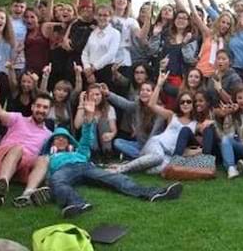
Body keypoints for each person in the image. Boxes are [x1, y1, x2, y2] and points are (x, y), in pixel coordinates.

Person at [44, 92, 182, 218]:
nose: (61, 139)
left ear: (69, 141)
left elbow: (86, 137)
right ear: (52, 143)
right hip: (62, 170)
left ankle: (155, 193)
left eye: (64, 137)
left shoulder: (78, 151)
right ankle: (77, 204)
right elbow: (43, 171)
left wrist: (90, 116)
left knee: (116, 178)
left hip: (84, 166)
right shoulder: (49, 156)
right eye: (57, 138)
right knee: (57, 182)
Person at [0, 85, 53, 206]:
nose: (41, 110)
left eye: (45, 107)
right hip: (3, 159)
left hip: (23, 168)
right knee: (18, 149)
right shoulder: (18, 118)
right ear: (32, 107)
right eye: (38, 106)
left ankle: (27, 194)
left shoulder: (49, 134)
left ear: (49, 111)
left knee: (45, 158)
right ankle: (2, 183)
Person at [81, 5, 120, 89]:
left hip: (105, 71)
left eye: (105, 15)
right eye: (100, 15)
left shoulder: (115, 33)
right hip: (89, 72)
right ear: (95, 16)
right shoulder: (92, 32)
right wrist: (87, 68)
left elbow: (111, 54)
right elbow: (85, 52)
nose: (102, 18)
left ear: (110, 17)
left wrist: (94, 68)